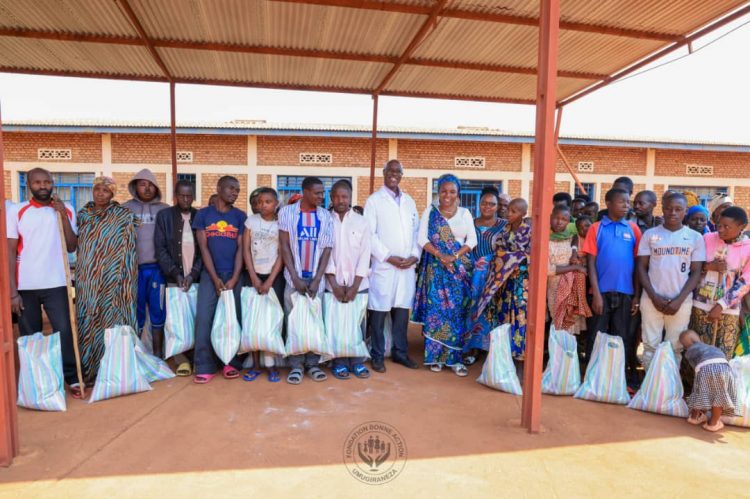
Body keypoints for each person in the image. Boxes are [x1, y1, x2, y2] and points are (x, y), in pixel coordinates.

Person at [6, 168, 82, 397]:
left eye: (47, 181)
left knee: (64, 331)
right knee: (31, 336)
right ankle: (35, 380)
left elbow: (71, 246)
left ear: (52, 183)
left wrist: (62, 216)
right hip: (25, 285)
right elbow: (9, 252)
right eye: (37, 182)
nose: (43, 186)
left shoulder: (66, 209)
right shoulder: (17, 211)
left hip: (57, 282)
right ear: (29, 185)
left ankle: (71, 376)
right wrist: (12, 292)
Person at [75, 176, 138, 382]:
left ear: (112, 194)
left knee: (113, 318)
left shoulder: (123, 215)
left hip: (115, 279)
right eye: (97, 189)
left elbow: (128, 248)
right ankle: (90, 369)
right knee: (89, 317)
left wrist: (123, 277)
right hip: (89, 278)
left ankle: (115, 366)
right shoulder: (83, 215)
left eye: (105, 190)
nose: (100, 193)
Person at [413, 174, 477, 376]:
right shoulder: (430, 212)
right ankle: (435, 358)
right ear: (438, 192)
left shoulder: (465, 213)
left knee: (456, 313)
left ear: (458, 194)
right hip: (435, 269)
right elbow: (421, 238)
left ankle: (455, 359)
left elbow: (472, 239)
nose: (447, 195)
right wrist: (441, 255)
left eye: (452, 192)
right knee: (436, 312)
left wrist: (454, 256)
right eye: (443, 191)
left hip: (459, 270)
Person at [364, 160, 421, 373]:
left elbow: (416, 233)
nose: (394, 174)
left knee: (401, 312)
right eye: (391, 171)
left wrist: (414, 256)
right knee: (378, 313)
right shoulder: (374, 201)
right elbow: (370, 234)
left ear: (402, 175)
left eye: (398, 171)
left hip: (406, 267)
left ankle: (400, 352)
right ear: (384, 173)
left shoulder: (409, 202)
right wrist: (388, 257)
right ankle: (377, 355)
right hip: (385, 267)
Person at [636, 193, 705, 369]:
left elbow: (696, 272)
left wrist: (679, 300)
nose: (672, 212)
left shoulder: (695, 238)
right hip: (651, 299)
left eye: (678, 209)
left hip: (680, 301)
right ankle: (651, 389)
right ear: (662, 208)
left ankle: (670, 390)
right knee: (650, 346)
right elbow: (641, 267)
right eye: (668, 208)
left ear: (685, 211)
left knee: (675, 347)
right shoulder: (650, 235)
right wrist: (654, 296)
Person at [583, 188, 642, 388]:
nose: (626, 205)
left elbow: (638, 265)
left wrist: (636, 296)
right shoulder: (596, 228)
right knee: (596, 336)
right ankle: (591, 379)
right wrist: (596, 294)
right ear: (608, 203)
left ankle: (619, 380)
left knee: (623, 337)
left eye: (628, 202)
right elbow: (591, 262)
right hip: (601, 293)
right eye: (621, 202)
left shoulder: (633, 229)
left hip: (626, 294)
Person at [192, 176, 247, 384]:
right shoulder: (204, 215)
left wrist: (233, 278)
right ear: (219, 188)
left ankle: (231, 362)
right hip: (210, 275)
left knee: (232, 319)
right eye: (231, 188)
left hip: (234, 274)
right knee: (204, 319)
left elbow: (242, 248)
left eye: (238, 190)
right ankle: (205, 365)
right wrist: (215, 278)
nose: (235, 193)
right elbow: (203, 247)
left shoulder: (240, 216)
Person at [278, 176, 333, 384]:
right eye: (317, 193)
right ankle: (295, 365)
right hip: (294, 279)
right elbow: (284, 246)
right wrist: (294, 277)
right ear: (305, 192)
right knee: (294, 322)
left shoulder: (325, 216)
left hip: (315, 281)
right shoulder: (287, 213)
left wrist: (318, 279)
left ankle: (312, 364)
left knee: (314, 323)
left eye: (322, 193)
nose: (321, 196)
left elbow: (327, 248)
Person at [470, 198, 531, 364]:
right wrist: (510, 258)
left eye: (514, 211)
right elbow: (498, 252)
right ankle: (503, 355)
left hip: (521, 285)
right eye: (508, 210)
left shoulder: (530, 231)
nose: (508, 213)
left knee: (519, 318)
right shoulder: (505, 230)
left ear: (523, 213)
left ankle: (519, 357)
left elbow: (531, 256)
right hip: (503, 284)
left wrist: (513, 259)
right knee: (503, 316)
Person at [325, 180, 372, 380]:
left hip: (358, 284)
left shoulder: (361, 222)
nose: (340, 200)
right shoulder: (325, 220)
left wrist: (355, 286)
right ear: (331, 198)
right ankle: (339, 361)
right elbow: (324, 253)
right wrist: (334, 283)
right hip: (332, 284)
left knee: (356, 324)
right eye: (336, 196)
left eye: (344, 196)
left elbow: (365, 255)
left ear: (351, 197)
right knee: (335, 325)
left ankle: (357, 361)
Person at [154, 179, 202, 376]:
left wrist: (193, 274)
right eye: (181, 195)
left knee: (195, 319)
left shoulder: (200, 216)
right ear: (175, 196)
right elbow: (161, 248)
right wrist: (176, 273)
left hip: (196, 278)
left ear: (193, 196)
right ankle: (181, 359)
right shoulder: (164, 216)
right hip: (174, 278)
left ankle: (195, 358)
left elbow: (204, 251)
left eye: (189, 195)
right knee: (177, 320)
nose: (185, 199)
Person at [690, 206, 750, 359]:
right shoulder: (707, 239)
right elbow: (692, 265)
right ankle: (692, 384)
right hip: (700, 305)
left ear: (742, 227)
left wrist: (721, 305)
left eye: (726, 226)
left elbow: (745, 282)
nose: (721, 230)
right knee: (697, 354)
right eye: (719, 225)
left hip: (728, 310)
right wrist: (708, 266)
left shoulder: (748, 248)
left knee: (723, 356)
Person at [123, 169, 170, 358]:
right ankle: (136, 355)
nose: (147, 188)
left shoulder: (164, 209)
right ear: (135, 186)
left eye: (150, 184)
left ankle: (158, 355)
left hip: (158, 269)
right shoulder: (125, 209)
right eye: (142, 184)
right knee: (137, 312)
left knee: (159, 311)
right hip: (134, 270)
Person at [242, 187, 285, 383]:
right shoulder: (251, 221)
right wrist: (253, 277)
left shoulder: (281, 224)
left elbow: (282, 254)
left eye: (267, 202)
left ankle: (272, 365)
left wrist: (268, 281)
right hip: (253, 277)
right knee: (254, 323)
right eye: (259, 202)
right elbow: (246, 251)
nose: (262, 205)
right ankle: (257, 365)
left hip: (273, 278)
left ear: (276, 204)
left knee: (271, 321)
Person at [463, 187, 506, 361]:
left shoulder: (504, 225)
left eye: (492, 204)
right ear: (479, 204)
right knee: (471, 307)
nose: (487, 207)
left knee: (492, 309)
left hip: (494, 275)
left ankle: (490, 348)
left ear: (498, 206)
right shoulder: (470, 223)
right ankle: (471, 347)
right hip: (472, 274)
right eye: (484, 203)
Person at [680, 330, 740, 432]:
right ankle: (713, 423)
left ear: (686, 346)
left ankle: (694, 418)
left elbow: (696, 368)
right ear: (699, 339)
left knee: (699, 394)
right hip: (723, 368)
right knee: (719, 396)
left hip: (704, 369)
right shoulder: (712, 347)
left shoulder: (689, 352)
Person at [548, 205, 589, 335]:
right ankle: (556, 354)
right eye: (556, 218)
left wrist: (576, 256)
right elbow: (548, 270)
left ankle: (569, 355)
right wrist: (575, 267)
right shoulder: (544, 239)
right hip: (555, 289)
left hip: (573, 288)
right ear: (550, 217)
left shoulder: (571, 238)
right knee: (558, 325)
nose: (559, 222)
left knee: (572, 328)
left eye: (564, 219)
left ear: (568, 221)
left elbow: (583, 258)